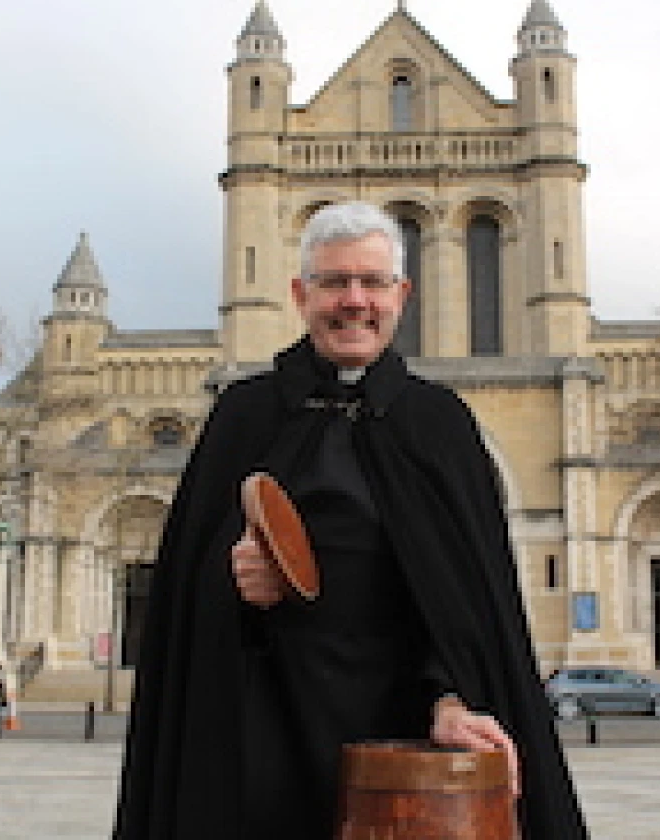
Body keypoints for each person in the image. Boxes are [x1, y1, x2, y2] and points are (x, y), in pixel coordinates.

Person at [114, 202, 587, 839]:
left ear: (403, 294)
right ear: (300, 294)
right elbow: (182, 593)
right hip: (262, 731)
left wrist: (451, 696)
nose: (354, 301)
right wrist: (231, 575)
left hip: (402, 731)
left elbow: (471, 603)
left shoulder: (439, 425)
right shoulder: (243, 416)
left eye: (373, 283)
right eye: (334, 282)